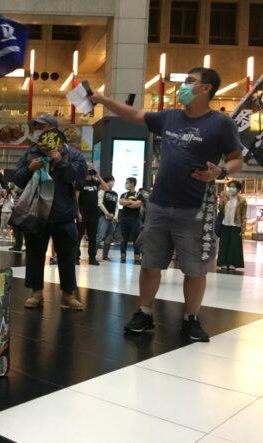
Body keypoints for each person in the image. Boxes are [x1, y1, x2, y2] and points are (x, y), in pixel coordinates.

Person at [93, 67, 243, 341]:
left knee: (194, 268)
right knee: (150, 263)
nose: (184, 86)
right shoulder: (170, 117)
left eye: (189, 81)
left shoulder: (220, 123)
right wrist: (102, 100)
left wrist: (219, 172)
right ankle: (144, 313)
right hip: (159, 205)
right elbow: (135, 114)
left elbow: (236, 158)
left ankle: (191, 318)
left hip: (195, 208)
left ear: (205, 88)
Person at [14, 113, 87, 310]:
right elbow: (18, 179)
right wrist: (29, 169)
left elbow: (79, 176)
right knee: (35, 254)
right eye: (37, 127)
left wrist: (59, 161)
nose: (39, 131)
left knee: (67, 256)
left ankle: (68, 295)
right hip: (36, 215)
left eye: (42, 127)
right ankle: (36, 293)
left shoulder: (72, 154)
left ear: (54, 129)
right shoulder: (30, 153)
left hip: (64, 215)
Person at [76, 166, 107, 265]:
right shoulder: (80, 182)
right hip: (82, 212)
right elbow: (75, 198)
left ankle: (92, 257)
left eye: (90, 172)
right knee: (78, 235)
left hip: (93, 213)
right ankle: (76, 257)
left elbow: (106, 187)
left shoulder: (95, 182)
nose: (89, 174)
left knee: (92, 236)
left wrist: (98, 175)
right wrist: (78, 212)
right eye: (87, 172)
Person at [217, 181, 247, 272]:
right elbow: (220, 209)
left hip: (236, 225)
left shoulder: (242, 200)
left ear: (238, 189)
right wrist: (221, 200)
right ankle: (223, 263)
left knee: (235, 245)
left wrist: (243, 226)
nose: (231, 189)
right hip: (225, 224)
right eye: (230, 187)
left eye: (233, 187)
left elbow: (243, 215)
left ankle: (233, 263)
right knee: (224, 244)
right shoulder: (225, 198)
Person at [118, 177, 143, 264]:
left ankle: (137, 257)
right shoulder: (124, 194)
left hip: (135, 220)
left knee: (135, 239)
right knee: (123, 239)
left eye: (127, 182)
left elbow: (137, 204)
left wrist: (127, 202)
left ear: (132, 184)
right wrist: (131, 202)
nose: (126, 184)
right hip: (124, 219)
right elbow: (121, 202)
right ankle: (123, 256)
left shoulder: (139, 194)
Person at [96, 175, 119, 261]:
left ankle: (105, 255)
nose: (112, 183)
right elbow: (100, 204)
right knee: (100, 236)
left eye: (113, 181)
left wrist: (116, 216)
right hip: (103, 217)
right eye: (110, 181)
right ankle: (93, 255)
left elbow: (116, 206)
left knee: (109, 237)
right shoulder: (102, 192)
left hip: (112, 219)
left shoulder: (115, 193)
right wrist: (107, 213)